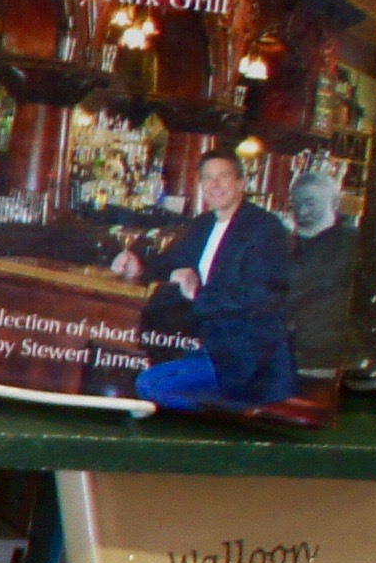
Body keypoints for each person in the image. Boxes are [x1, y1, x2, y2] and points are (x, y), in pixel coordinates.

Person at [108, 146, 298, 413]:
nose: (215, 185)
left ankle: (219, 426)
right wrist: (138, 266)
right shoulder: (203, 225)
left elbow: (264, 296)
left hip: (249, 358)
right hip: (207, 346)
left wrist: (198, 294)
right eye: (208, 178)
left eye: (223, 177)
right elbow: (171, 262)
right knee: (136, 377)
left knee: (151, 385)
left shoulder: (265, 228)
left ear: (241, 183)